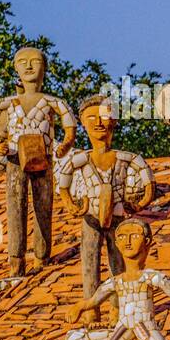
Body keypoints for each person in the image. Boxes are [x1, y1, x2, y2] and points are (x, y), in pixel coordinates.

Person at [0, 47, 76, 276]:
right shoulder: (5, 103)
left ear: (44, 67)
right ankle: (16, 259)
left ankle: (42, 255)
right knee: (15, 206)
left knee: (44, 205)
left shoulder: (52, 102)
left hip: (43, 157)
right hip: (14, 158)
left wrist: (66, 143)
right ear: (16, 68)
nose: (29, 66)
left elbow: (69, 124)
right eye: (22, 62)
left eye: (34, 61)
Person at [58, 95, 155, 315]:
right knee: (89, 261)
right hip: (90, 216)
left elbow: (146, 176)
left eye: (103, 116)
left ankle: (117, 307)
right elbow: (63, 184)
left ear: (113, 121)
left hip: (118, 215)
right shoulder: (80, 160)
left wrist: (142, 200)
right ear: (83, 123)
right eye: (91, 117)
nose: (99, 122)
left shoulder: (124, 158)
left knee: (118, 260)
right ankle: (90, 309)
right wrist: (71, 204)